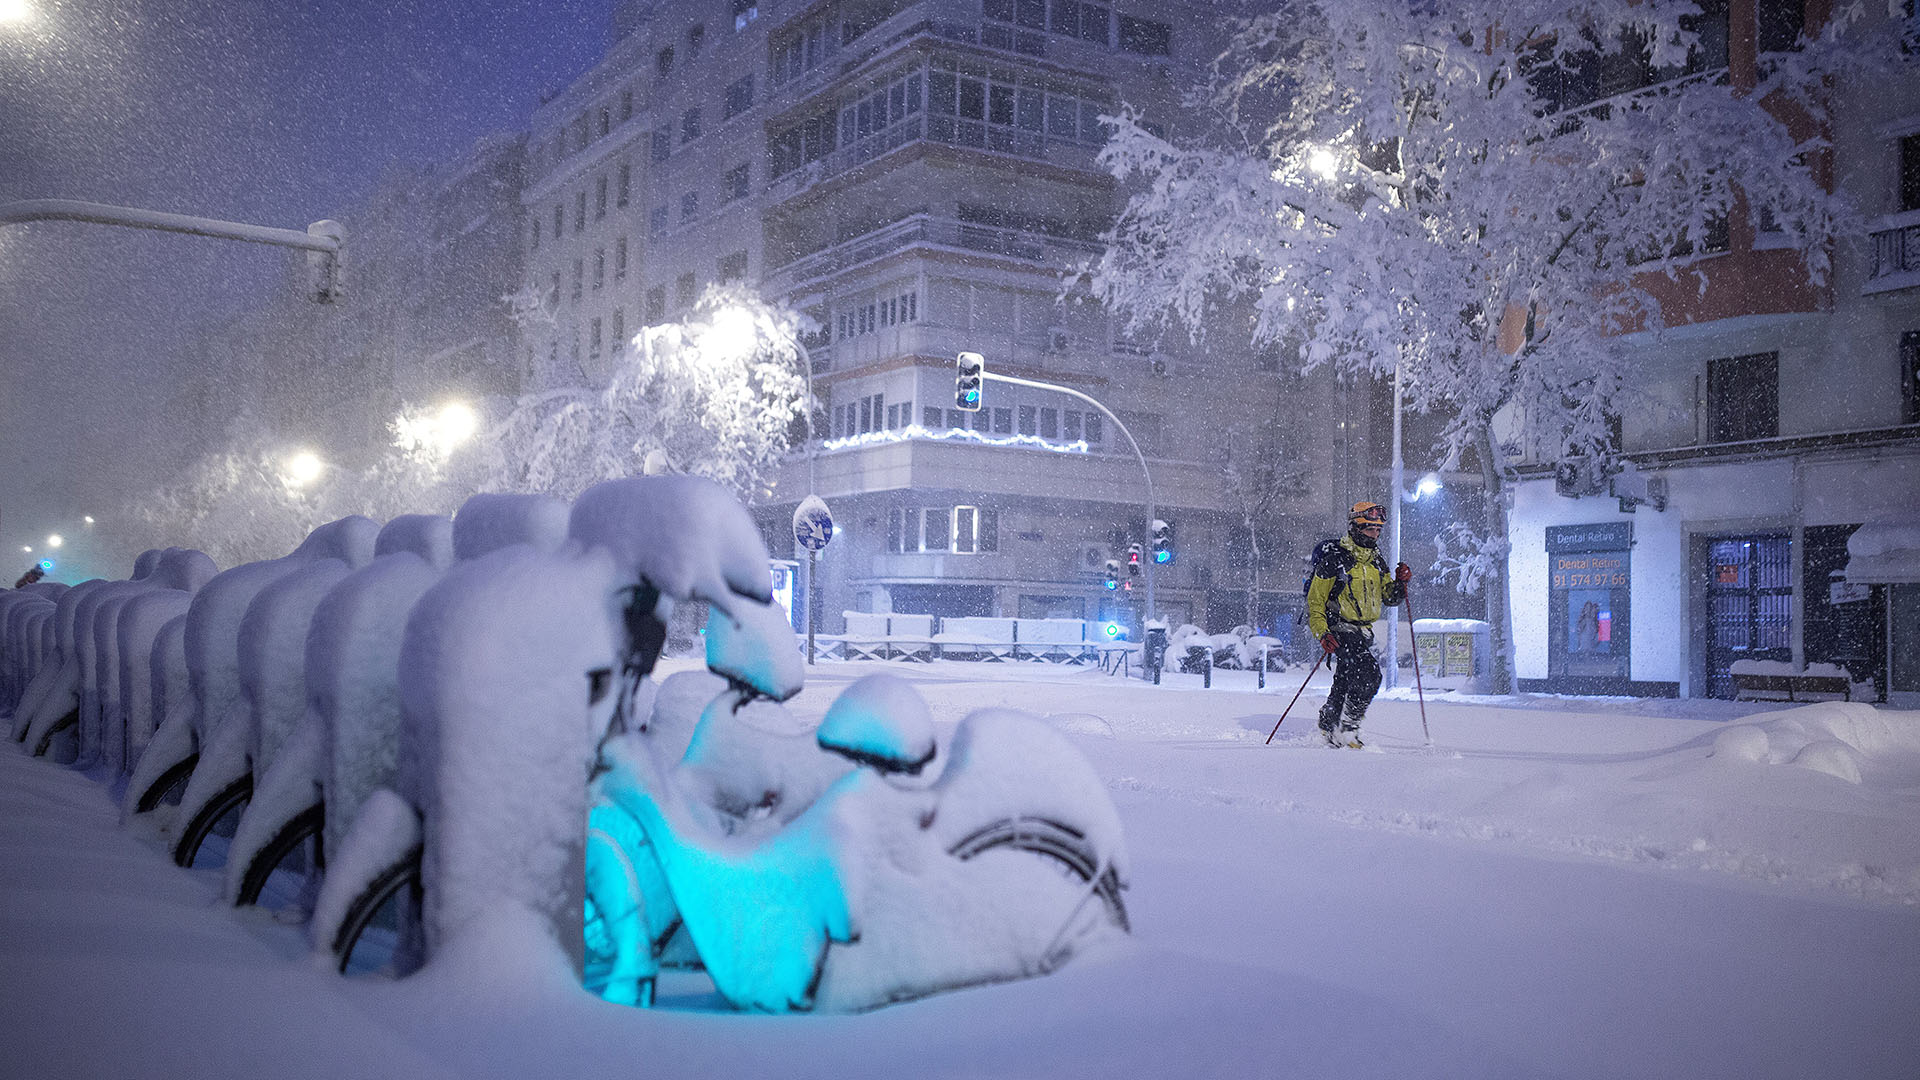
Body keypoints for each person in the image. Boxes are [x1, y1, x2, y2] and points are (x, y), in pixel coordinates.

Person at [1305, 501, 1411, 748]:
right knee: (1369, 675)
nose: (1375, 534)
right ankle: (1348, 727)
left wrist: (1401, 583)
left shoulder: (1376, 561)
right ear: (1355, 528)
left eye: (1378, 529)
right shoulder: (1334, 561)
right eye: (1369, 528)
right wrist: (1322, 633)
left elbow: (1389, 598)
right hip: (1339, 628)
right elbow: (1315, 602)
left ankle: (1329, 719)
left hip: (1364, 632)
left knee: (1346, 677)